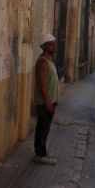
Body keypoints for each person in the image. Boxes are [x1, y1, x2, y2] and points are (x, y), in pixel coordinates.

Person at [33, 33, 60, 165]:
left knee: (46, 128)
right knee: (42, 128)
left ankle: (42, 151)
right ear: (44, 47)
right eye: (50, 44)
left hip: (50, 101)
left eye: (53, 43)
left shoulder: (49, 60)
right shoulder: (42, 62)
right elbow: (42, 84)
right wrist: (48, 102)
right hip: (45, 102)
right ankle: (40, 155)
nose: (53, 46)